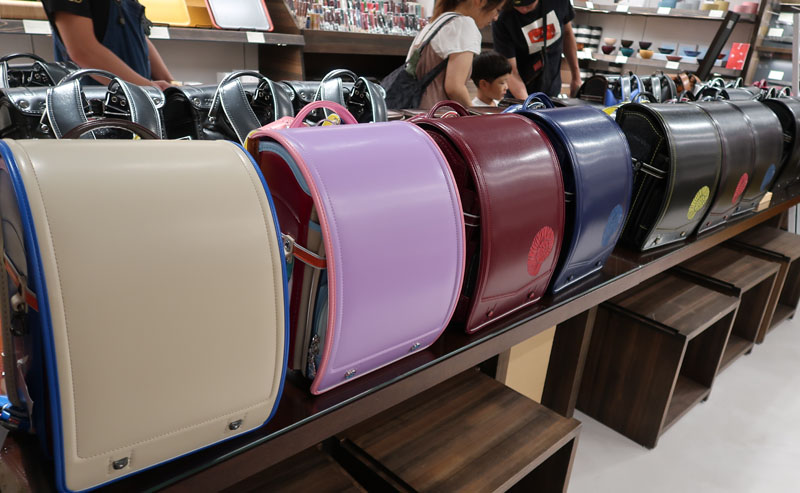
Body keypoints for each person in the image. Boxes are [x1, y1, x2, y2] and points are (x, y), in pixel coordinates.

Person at [40, 0, 173, 89]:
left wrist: (169, 85)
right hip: (95, 106)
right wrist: (146, 88)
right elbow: (83, 51)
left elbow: (137, 36)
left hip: (138, 102)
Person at [407, 0, 505, 108]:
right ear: (480, 1)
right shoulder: (463, 25)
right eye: (497, 10)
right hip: (436, 113)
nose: (496, 17)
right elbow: (455, 88)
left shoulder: (436, 23)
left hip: (415, 111)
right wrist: (473, 113)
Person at [492, 0, 581, 98]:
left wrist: (576, 77)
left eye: (528, 5)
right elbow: (511, 71)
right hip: (518, 90)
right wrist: (527, 103)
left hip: (551, 84)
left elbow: (567, 33)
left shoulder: (558, 2)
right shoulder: (503, 16)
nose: (523, 9)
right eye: (517, 6)